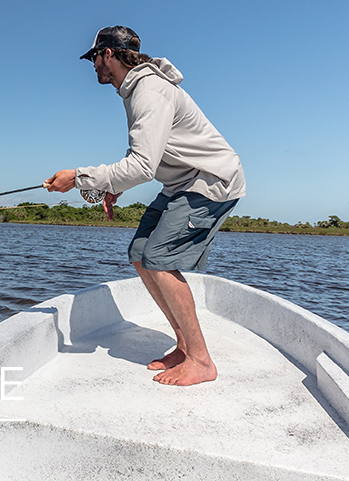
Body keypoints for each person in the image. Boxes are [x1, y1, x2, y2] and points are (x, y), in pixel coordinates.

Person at [45, 25, 245, 387]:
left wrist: (78, 177)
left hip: (210, 179)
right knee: (140, 253)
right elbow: (145, 154)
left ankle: (201, 361)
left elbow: (142, 166)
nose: (92, 67)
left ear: (108, 54)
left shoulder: (149, 92)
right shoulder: (136, 89)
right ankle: (184, 345)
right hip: (181, 181)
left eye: (93, 58)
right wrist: (114, 188)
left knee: (160, 258)